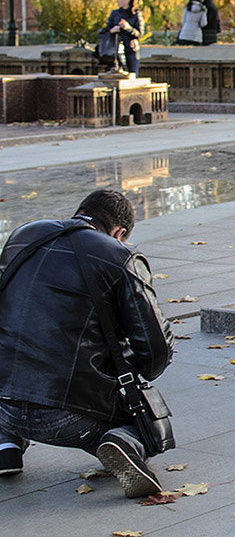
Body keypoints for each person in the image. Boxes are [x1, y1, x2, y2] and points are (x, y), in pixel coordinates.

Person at [0, 190, 174, 499]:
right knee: (149, 427)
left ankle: (6, 445)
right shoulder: (120, 257)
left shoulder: (23, 236)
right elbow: (155, 351)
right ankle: (123, 440)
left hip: (4, 401)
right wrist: (123, 365)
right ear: (119, 233)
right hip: (66, 414)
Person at [106, 0, 144, 74]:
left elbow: (140, 34)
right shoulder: (114, 14)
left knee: (133, 75)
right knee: (116, 75)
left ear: (127, 0)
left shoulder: (136, 14)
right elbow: (105, 30)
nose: (117, 0)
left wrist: (129, 28)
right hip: (115, 51)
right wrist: (112, 30)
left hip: (131, 50)